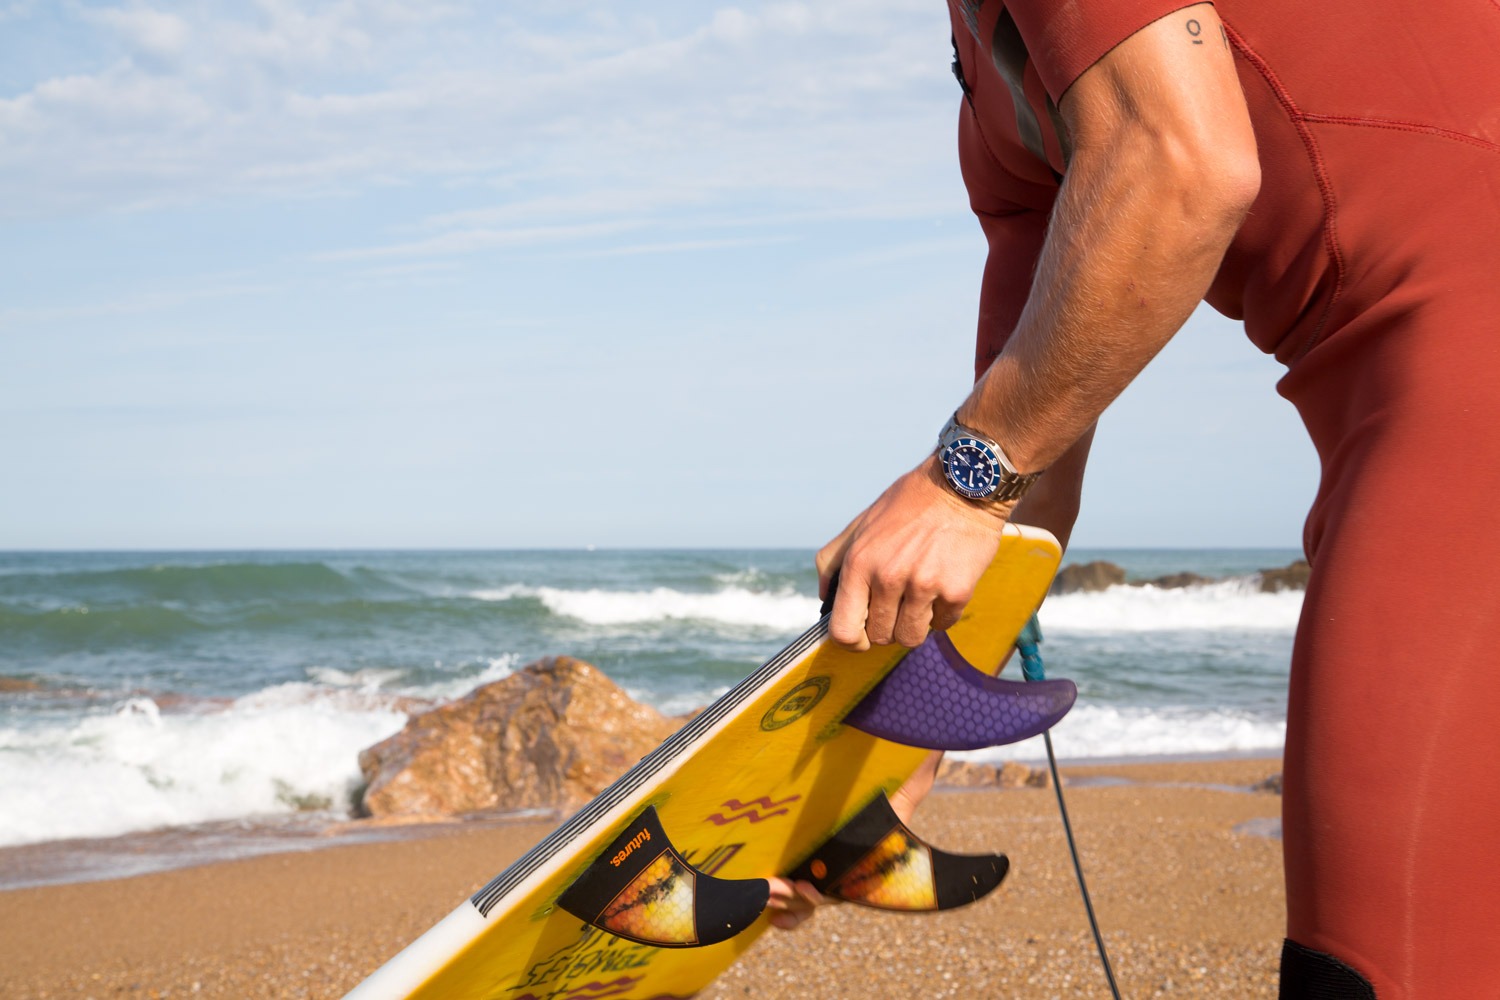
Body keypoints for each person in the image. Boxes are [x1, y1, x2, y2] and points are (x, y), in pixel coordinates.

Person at [763, 2, 1500, 996]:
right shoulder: (991, 86)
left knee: (1379, 967)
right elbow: (1031, 462)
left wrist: (958, 482)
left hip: (1467, 403)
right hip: (1417, 416)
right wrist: (885, 766)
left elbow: (1185, 167)